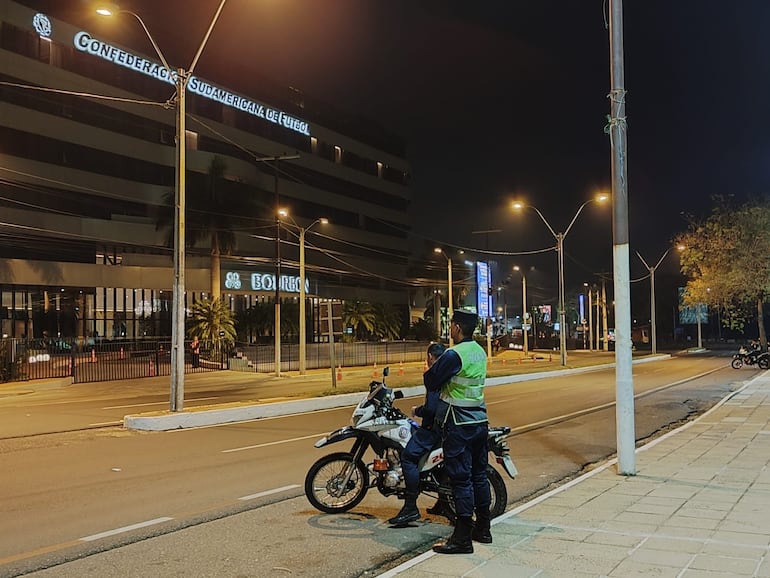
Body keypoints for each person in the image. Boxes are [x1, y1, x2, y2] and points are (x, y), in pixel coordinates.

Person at [425, 310, 490, 554]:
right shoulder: (479, 351)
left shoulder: (454, 354)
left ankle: (462, 538)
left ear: (458, 327)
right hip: (480, 421)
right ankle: (483, 528)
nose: (449, 330)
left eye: (451, 326)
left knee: (460, 479)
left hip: (458, 424)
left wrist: (431, 367)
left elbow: (431, 381)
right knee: (479, 476)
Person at [388, 342, 447, 526]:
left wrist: (417, 411)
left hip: (434, 429)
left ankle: (411, 507)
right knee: (439, 465)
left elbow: (431, 408)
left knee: (408, 457)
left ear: (430, 357)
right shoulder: (449, 371)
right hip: (448, 426)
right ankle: (443, 502)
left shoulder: (434, 374)